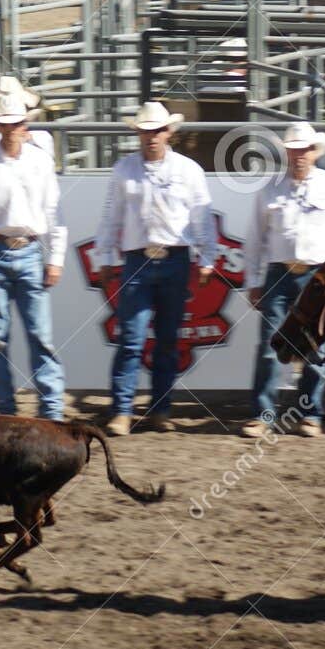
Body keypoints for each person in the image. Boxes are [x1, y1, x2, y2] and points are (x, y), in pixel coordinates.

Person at [95, 101, 217, 436]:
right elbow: (112, 217)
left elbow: (201, 218)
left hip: (175, 259)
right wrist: (105, 256)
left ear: (169, 133)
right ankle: (122, 409)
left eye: (157, 130)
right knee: (131, 339)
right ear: (138, 133)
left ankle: (158, 408)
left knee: (166, 340)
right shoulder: (123, 170)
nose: (152, 137)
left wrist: (206, 258)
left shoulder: (189, 171)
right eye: (146, 131)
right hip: (138, 260)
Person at [242, 122, 325, 438]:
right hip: (279, 274)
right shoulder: (270, 188)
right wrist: (254, 281)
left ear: (314, 151)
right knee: (270, 345)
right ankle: (263, 415)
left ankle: (310, 414)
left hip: (319, 275)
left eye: (304, 149)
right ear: (287, 153)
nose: (299, 155)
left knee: (316, 348)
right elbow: (254, 239)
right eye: (294, 150)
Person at [0, 93, 67, 422]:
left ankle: (51, 411)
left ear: (25, 125)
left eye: (15, 123)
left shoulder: (39, 162)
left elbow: (54, 212)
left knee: (39, 335)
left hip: (28, 250)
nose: (10, 129)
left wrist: (56, 256)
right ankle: (8, 411)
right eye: (4, 124)